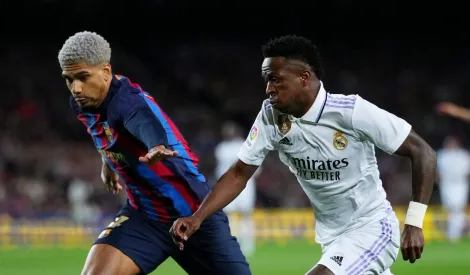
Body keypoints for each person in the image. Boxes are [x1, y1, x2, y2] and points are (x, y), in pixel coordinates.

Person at [170, 35, 437, 275]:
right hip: (331, 237)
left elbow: (423, 152)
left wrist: (413, 223)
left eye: (275, 79)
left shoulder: (351, 111)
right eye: (266, 81)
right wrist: (197, 218)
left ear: (304, 77)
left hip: (372, 227)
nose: (269, 89)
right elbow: (240, 172)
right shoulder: (271, 116)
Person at [58, 31, 251, 275]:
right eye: (69, 79)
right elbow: (102, 132)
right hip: (144, 216)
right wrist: (108, 161)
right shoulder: (83, 102)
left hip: (193, 216)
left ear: (106, 72)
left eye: (83, 77)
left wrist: (156, 144)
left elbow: (143, 121)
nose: (75, 88)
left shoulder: (127, 102)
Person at [215, 121, 258, 257]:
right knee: (231, 215)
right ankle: (236, 244)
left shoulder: (243, 145)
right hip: (232, 185)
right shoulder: (222, 147)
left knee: (244, 215)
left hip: (244, 185)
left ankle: (247, 244)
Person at [436, 135, 470, 242]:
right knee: (451, 209)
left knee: (457, 208)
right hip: (447, 185)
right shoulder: (441, 155)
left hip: (460, 184)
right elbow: (437, 173)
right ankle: (464, 226)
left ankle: (453, 235)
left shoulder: (463, 155)